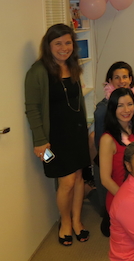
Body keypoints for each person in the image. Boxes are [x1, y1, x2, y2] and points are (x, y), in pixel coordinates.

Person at [24, 23, 91, 246]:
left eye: (68, 42)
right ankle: (65, 222)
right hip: (52, 139)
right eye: (58, 43)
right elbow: (32, 108)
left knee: (79, 178)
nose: (64, 48)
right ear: (48, 45)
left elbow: (77, 101)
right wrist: (40, 141)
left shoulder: (73, 67)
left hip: (77, 133)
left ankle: (77, 220)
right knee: (67, 182)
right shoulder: (37, 71)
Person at [92, 61, 134, 216]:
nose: (121, 81)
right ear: (110, 81)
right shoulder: (103, 111)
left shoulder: (132, 124)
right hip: (112, 168)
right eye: (117, 77)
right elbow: (105, 175)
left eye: (125, 77)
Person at [99, 88, 134, 236]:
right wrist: (130, 201)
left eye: (129, 104)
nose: (126, 110)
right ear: (113, 109)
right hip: (120, 196)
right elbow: (105, 180)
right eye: (120, 106)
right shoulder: (108, 139)